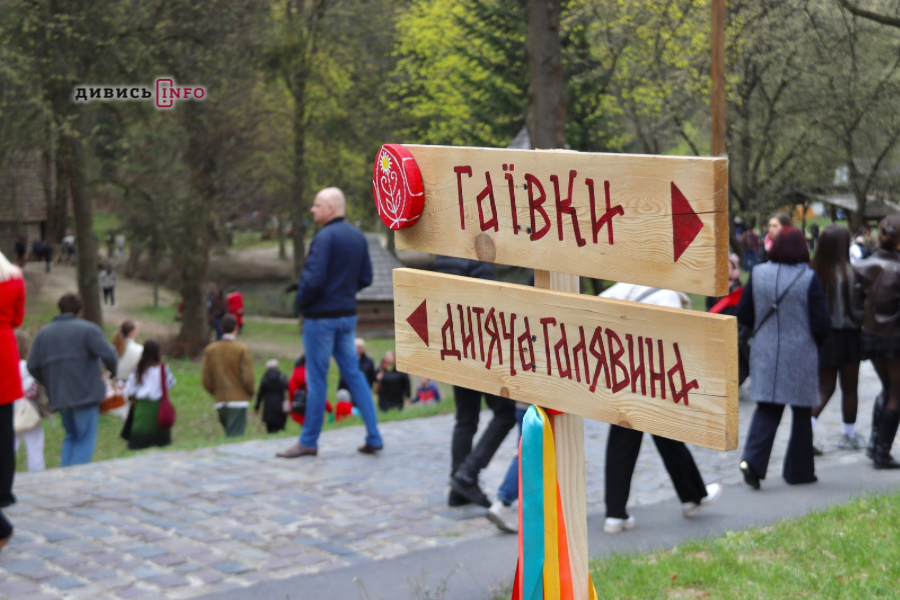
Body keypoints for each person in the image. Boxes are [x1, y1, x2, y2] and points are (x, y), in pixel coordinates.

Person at [599, 282, 722, 533]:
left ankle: (616, 513)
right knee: (667, 437)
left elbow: (595, 306)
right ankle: (692, 496)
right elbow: (673, 346)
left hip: (622, 371)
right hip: (652, 378)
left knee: (626, 442)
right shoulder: (669, 296)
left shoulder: (629, 284)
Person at [277, 187, 383, 458]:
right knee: (355, 375)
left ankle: (309, 441)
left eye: (317, 205)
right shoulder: (358, 236)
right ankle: (374, 435)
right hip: (346, 316)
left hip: (321, 319)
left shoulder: (324, 238)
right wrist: (344, 292)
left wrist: (301, 302)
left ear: (331, 209)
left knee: (316, 379)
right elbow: (367, 278)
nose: (312, 210)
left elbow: (313, 279)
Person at [737, 227, 831, 489]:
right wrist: (815, 343)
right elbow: (821, 322)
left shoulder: (757, 274)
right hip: (800, 353)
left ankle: (752, 463)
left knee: (767, 409)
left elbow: (743, 313)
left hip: (765, 352)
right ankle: (798, 472)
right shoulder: (808, 278)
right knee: (802, 413)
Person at [433, 256, 516, 508]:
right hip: (479, 347)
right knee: (505, 412)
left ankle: (458, 490)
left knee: (465, 418)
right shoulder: (476, 254)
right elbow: (487, 302)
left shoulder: (442, 256)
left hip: (453, 341)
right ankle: (467, 474)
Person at [28, 293, 118, 467]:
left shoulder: (43, 334)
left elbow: (32, 365)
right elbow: (109, 355)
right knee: (84, 438)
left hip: (60, 394)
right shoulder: (88, 329)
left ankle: (65, 478)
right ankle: (76, 482)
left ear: (59, 309)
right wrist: (113, 375)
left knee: (71, 436)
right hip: (86, 392)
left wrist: (49, 382)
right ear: (80, 310)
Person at [809, 225, 864, 453]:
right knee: (850, 388)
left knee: (825, 388)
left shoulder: (813, 271)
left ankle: (806, 431)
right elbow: (858, 311)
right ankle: (849, 435)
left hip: (825, 336)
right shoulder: (851, 273)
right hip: (849, 336)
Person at [853, 215, 900, 469]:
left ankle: (875, 445)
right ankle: (882, 451)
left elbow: (856, 304)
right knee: (896, 393)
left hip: (872, 336)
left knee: (887, 389)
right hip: (894, 338)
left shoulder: (862, 265)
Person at [201, 314, 255, 437]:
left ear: (221, 328)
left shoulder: (211, 349)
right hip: (239, 400)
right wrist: (250, 391)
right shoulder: (242, 349)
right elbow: (248, 377)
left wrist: (216, 392)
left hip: (220, 400)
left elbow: (206, 378)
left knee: (229, 434)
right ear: (236, 327)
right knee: (234, 438)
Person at [0, 250, 25, 508]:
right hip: (4, 352)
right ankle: (4, 492)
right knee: (4, 429)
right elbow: (17, 319)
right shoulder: (14, 280)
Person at [123, 340, 176, 450]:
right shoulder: (162, 368)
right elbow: (170, 383)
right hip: (158, 405)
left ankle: (136, 445)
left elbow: (131, 389)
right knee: (159, 435)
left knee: (140, 432)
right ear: (158, 352)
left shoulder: (138, 369)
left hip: (142, 406)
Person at [14, 331, 50, 472]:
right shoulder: (27, 366)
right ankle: (37, 473)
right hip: (28, 408)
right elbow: (31, 388)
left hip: (8, 407)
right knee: (34, 444)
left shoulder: (7, 364)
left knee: (10, 444)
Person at [337, 338, 377, 403]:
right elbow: (343, 376)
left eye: (358, 347)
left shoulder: (368, 362)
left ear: (362, 348)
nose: (356, 349)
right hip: (349, 390)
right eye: (355, 347)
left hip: (364, 390)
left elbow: (371, 376)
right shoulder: (347, 361)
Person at [256, 359, 289, 433]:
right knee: (281, 425)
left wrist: (257, 407)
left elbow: (260, 394)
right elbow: (288, 387)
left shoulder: (265, 378)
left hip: (268, 404)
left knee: (270, 428)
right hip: (280, 403)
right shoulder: (282, 376)